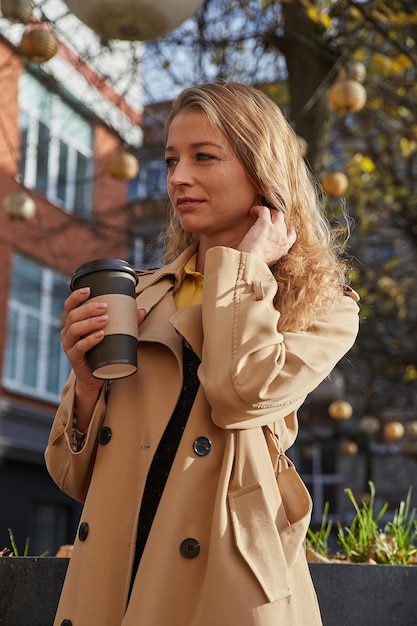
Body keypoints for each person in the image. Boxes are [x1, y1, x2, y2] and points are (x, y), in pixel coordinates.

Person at [45, 81, 360, 626]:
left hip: (225, 586)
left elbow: (240, 393)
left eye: (203, 157)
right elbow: (71, 477)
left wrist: (247, 270)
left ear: (262, 170)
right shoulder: (136, 294)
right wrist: (88, 386)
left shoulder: (322, 306)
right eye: (171, 160)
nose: (177, 178)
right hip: (115, 580)